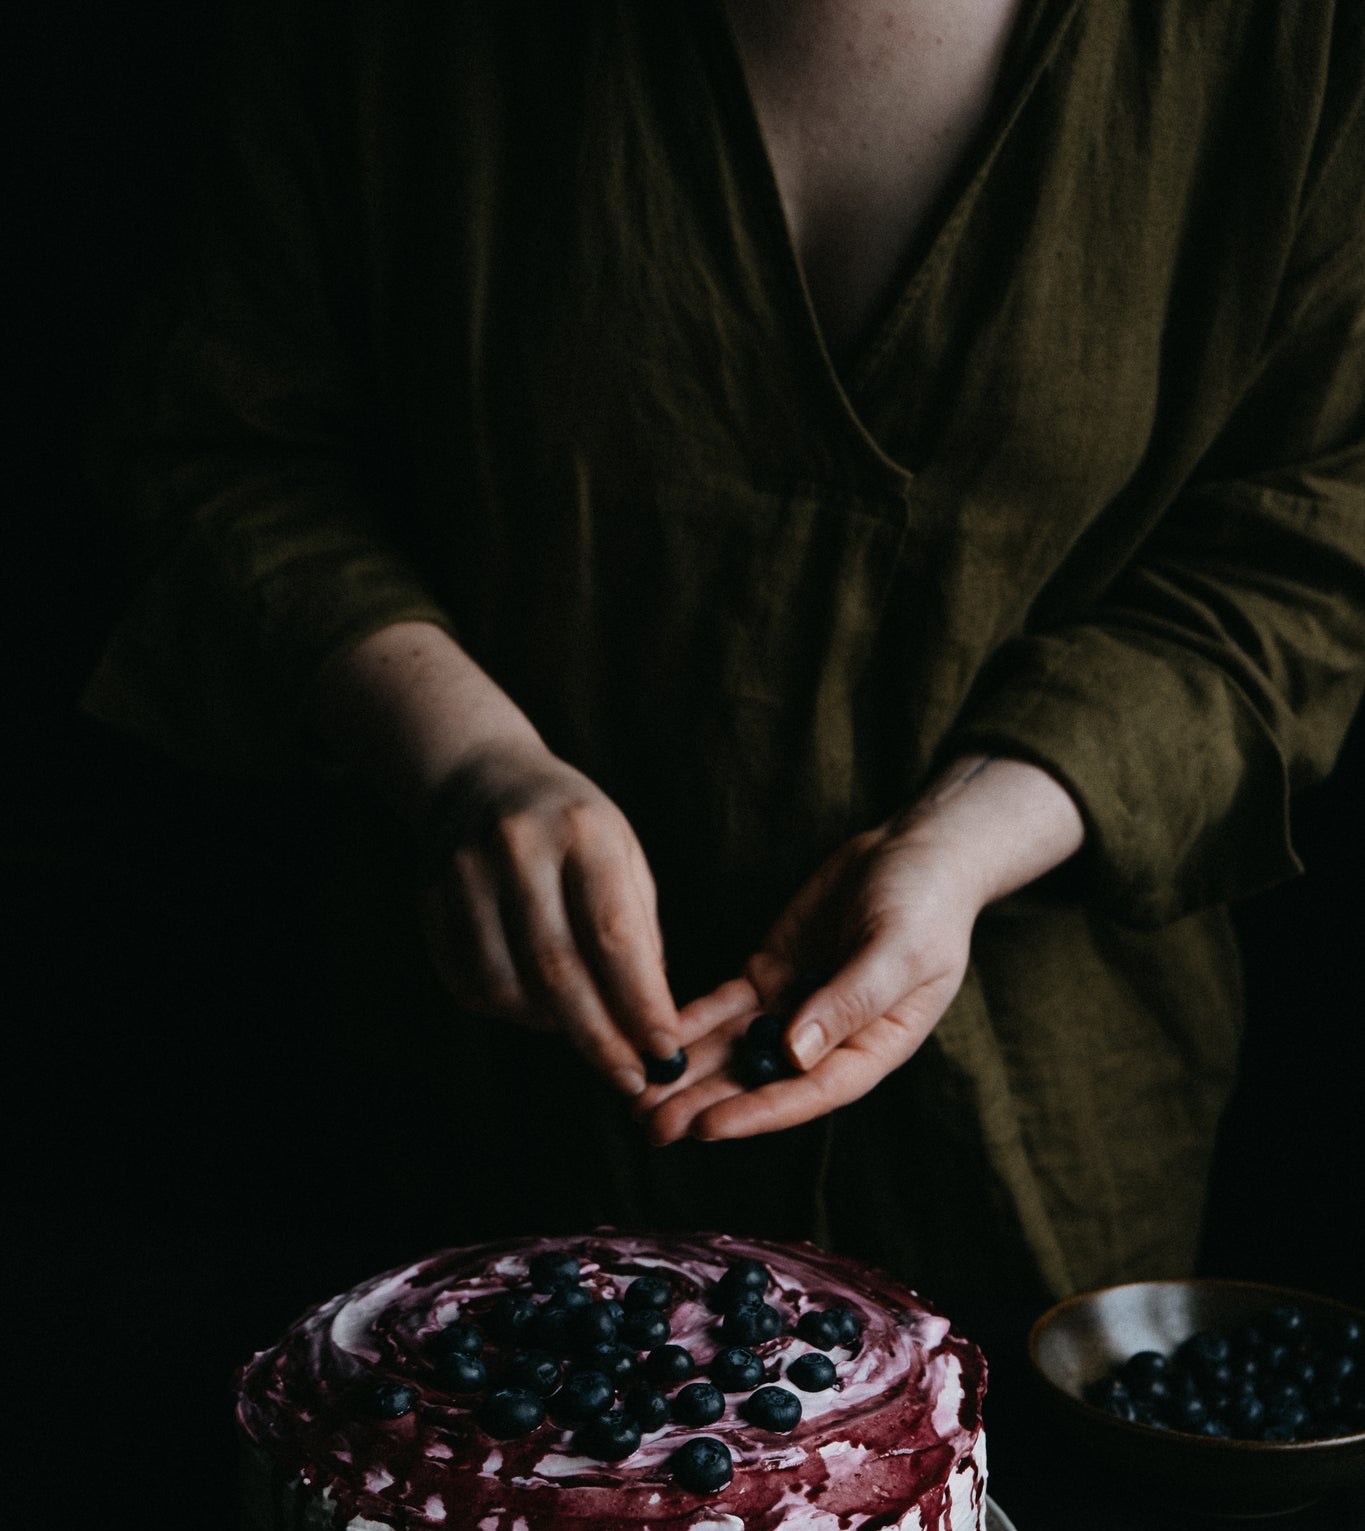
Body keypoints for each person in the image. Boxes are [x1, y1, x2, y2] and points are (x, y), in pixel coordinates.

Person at [88, 0, 1365, 1303]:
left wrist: (975, 837)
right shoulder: (370, 41)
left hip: (1036, 1153)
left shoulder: (1298, 53)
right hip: (458, 1118)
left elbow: (1303, 562)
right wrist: (466, 763)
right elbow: (230, 455)